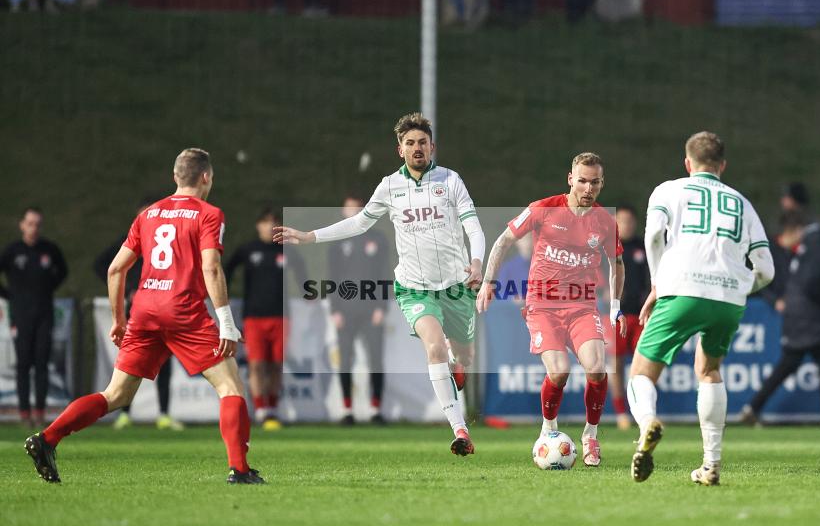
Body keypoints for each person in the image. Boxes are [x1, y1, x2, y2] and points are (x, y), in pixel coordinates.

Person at [25, 148, 263, 484]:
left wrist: (118, 319)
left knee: (116, 395)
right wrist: (226, 319)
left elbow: (115, 269)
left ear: (175, 177)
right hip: (183, 310)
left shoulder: (148, 215)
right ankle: (240, 470)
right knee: (230, 387)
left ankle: (47, 439)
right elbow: (211, 266)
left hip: (145, 310)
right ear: (206, 177)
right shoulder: (209, 214)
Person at [275, 113, 485, 456]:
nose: (417, 148)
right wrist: (309, 236)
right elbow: (358, 223)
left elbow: (473, 227)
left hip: (454, 284)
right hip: (414, 287)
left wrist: (476, 260)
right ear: (399, 149)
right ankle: (459, 429)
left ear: (433, 147)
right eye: (410, 143)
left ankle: (457, 360)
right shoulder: (389, 186)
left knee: (464, 354)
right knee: (433, 348)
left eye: (422, 142)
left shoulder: (450, 181)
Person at [626, 131, 774, 486]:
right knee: (709, 370)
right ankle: (711, 465)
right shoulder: (742, 203)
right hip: (728, 297)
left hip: (682, 289)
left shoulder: (668, 190)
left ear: (687, 162)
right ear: (723, 165)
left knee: (641, 373)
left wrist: (658, 284)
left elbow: (652, 236)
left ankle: (648, 424)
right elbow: (766, 269)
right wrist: (740, 288)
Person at [477, 152, 626, 467]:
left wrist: (615, 306)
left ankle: (590, 436)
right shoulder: (543, 209)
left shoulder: (604, 221)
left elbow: (617, 263)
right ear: (570, 179)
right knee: (559, 371)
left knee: (597, 368)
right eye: (582, 181)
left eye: (594, 182)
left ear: (602, 184)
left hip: (583, 306)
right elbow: (503, 241)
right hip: (542, 306)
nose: (588, 188)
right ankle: (548, 429)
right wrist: (489, 281)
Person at [742, 209, 820, 429]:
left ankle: (752, 407)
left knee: (791, 364)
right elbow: (812, 282)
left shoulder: (813, 242)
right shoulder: (819, 244)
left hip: (800, 314)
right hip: (810, 315)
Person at [93, 197, 182, 432]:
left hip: (162, 312)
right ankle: (125, 414)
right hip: (140, 314)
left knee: (164, 365)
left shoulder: (165, 238)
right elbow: (108, 266)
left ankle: (163, 413)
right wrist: (127, 289)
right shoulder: (133, 239)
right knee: (129, 368)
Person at [226, 207, 301, 431]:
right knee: (257, 365)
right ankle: (260, 410)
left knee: (276, 365)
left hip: (281, 316)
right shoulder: (248, 250)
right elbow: (226, 269)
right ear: (258, 225)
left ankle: (273, 409)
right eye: (266, 222)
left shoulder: (287, 250)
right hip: (254, 317)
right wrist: (224, 292)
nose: (270, 227)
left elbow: (303, 273)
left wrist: (310, 293)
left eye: (274, 222)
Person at [0, 207, 68, 427]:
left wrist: (48, 288)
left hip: (44, 314)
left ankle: (39, 412)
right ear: (22, 225)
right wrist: (10, 296)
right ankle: (24, 414)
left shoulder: (49, 250)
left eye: (37, 224)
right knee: (23, 364)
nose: (33, 228)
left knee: (41, 363)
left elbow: (63, 272)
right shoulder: (13, 251)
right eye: (30, 223)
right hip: (20, 316)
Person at [326, 196, 391, 425]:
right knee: (345, 360)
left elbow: (385, 273)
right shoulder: (336, 242)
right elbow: (331, 278)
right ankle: (347, 410)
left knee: (376, 360)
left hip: (372, 310)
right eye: (348, 207)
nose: (352, 211)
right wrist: (334, 309)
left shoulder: (378, 239)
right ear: (343, 212)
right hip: (345, 311)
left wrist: (382, 306)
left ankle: (376, 409)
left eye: (357, 207)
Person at [609, 204, 650, 431]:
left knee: (642, 364)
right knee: (615, 365)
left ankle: (643, 412)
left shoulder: (642, 248)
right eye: (621, 221)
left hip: (641, 315)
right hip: (617, 315)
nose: (626, 225)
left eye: (629, 221)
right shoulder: (606, 249)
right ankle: (620, 413)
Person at [754, 211, 806, 312]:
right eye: (801, 231)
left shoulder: (797, 254)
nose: (803, 235)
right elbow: (759, 281)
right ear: (794, 230)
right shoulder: (767, 250)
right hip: (766, 313)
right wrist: (774, 301)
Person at [494, 234, 532, 303]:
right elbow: (499, 293)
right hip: (514, 311)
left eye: (530, 238)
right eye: (524, 239)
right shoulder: (508, 267)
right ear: (517, 241)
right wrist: (514, 298)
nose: (528, 242)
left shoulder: (544, 266)